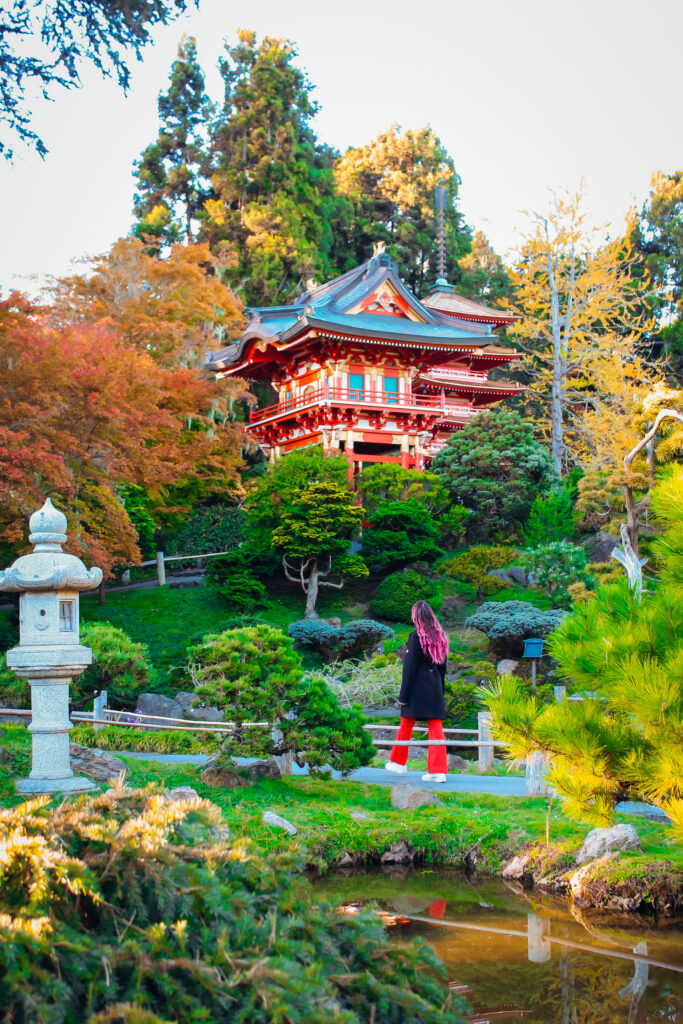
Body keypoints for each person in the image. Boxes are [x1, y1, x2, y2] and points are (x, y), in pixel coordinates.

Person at [385, 600, 449, 783]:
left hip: (417, 688)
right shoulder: (441, 636)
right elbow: (443, 668)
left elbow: (409, 669)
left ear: (416, 616)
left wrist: (403, 696)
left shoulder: (415, 637)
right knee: (436, 728)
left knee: (406, 723)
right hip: (435, 686)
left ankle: (398, 763)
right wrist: (440, 691)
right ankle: (438, 771)